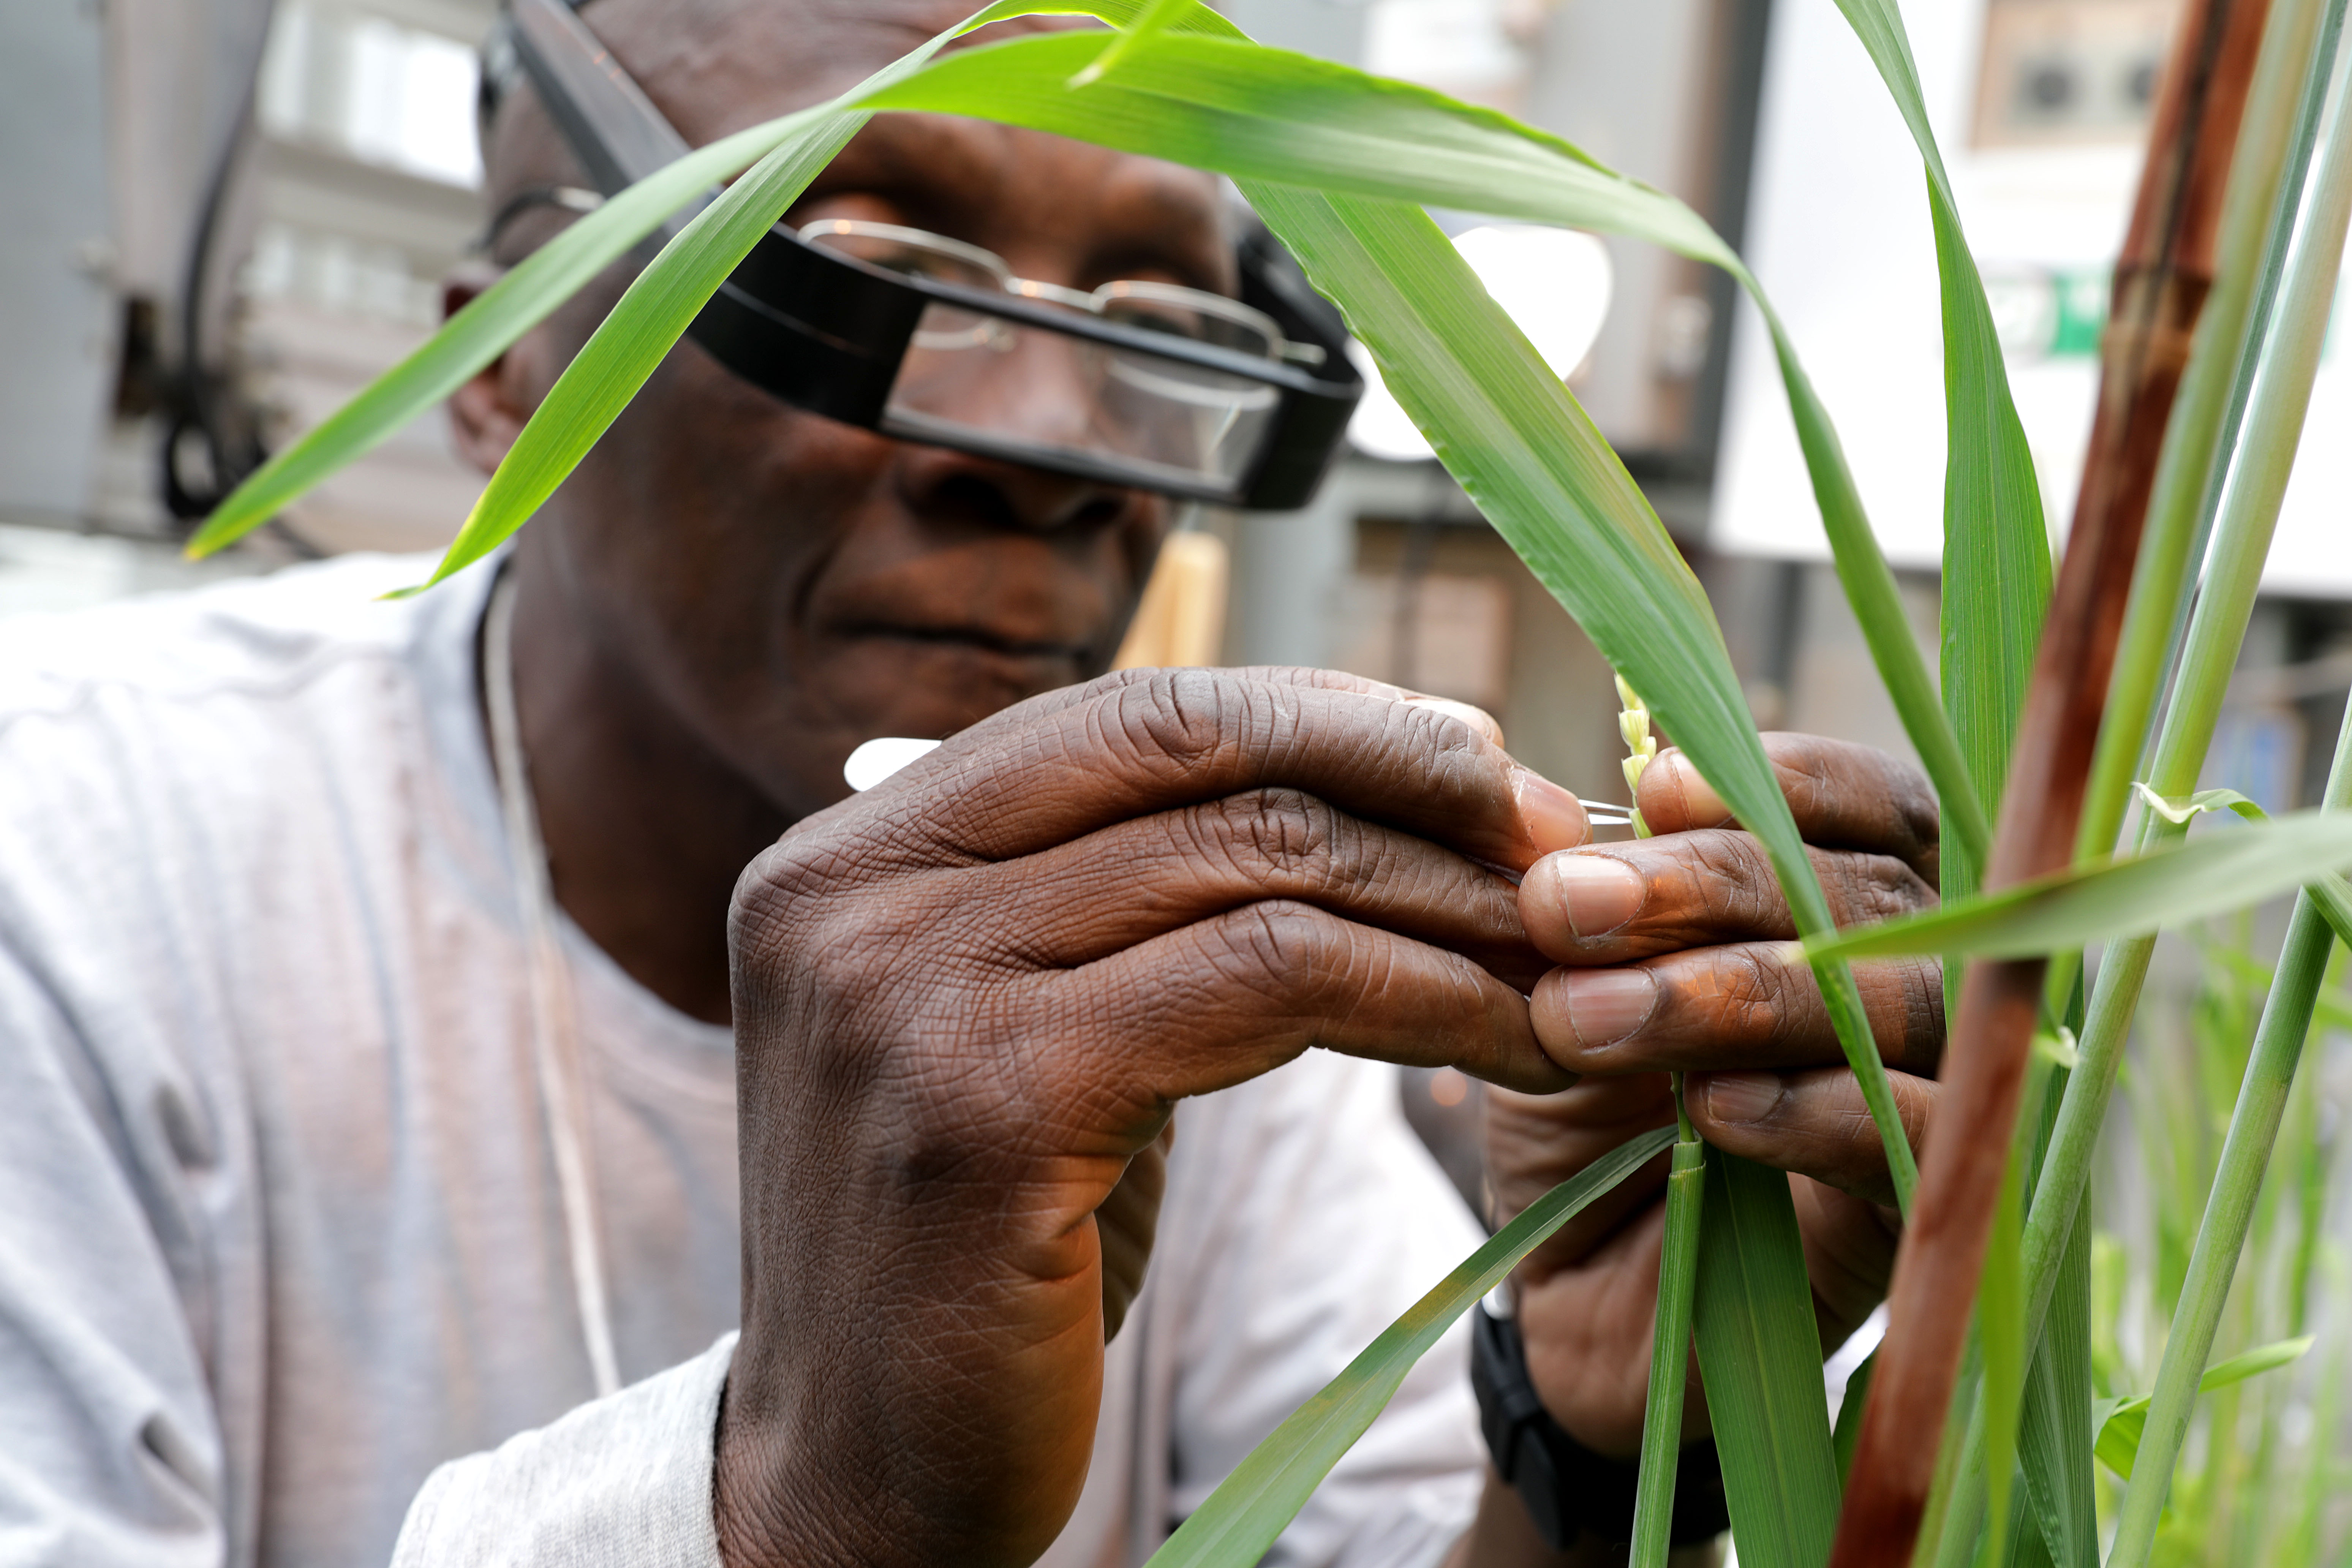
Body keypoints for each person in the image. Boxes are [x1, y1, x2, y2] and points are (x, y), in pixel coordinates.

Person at [0, 2, 1946, 1564]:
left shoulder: (1188, 962)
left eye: (1163, 336)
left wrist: (1581, 1428)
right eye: (872, 270)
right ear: (512, 374)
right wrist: (794, 1507)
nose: (1048, 439)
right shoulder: (88, 867)